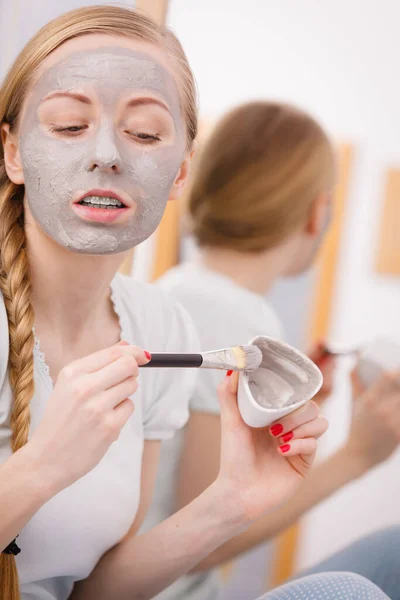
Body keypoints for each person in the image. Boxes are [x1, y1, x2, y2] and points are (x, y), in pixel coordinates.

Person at [0, 6, 369, 600]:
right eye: (70, 125)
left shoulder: (159, 324)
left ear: (179, 173)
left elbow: (93, 593)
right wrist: (42, 466)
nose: (107, 154)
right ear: (13, 152)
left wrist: (231, 501)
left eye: (145, 134)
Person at [140, 101, 400, 600]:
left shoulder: (180, 287)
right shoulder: (241, 316)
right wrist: (357, 457)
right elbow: (205, 541)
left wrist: (283, 410)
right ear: (317, 213)